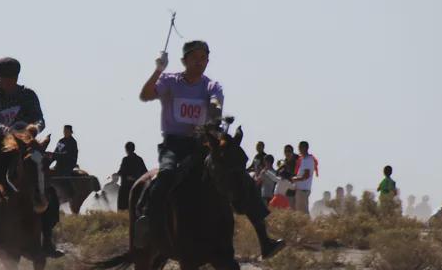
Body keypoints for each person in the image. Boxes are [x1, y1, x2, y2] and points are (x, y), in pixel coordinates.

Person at [137, 40, 283, 257]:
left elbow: (215, 104)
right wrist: (159, 69)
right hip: (174, 145)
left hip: (202, 145)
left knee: (239, 175)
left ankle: (264, 240)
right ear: (184, 60)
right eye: (195, 58)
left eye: (204, 58)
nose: (200, 62)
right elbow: (145, 95)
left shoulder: (211, 86)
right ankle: (148, 225)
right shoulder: (169, 81)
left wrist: (213, 118)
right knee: (166, 175)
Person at [0, 56, 62, 256]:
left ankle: (47, 238)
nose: (8, 81)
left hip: (26, 148)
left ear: (17, 77)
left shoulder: (28, 95)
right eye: (4, 77)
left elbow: (40, 119)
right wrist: (7, 130)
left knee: (47, 189)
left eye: (12, 77)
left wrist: (31, 128)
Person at [116, 141, 147, 212]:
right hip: (138, 186)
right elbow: (145, 172)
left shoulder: (125, 159)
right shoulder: (139, 159)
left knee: (121, 206)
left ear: (126, 149)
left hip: (126, 187)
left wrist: (117, 173)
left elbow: (121, 171)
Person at [291, 141, 315, 215]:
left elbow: (306, 176)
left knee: (303, 212)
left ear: (305, 148)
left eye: (300, 147)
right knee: (299, 211)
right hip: (300, 189)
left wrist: (295, 179)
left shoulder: (307, 160)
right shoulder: (304, 159)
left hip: (303, 190)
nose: (299, 149)